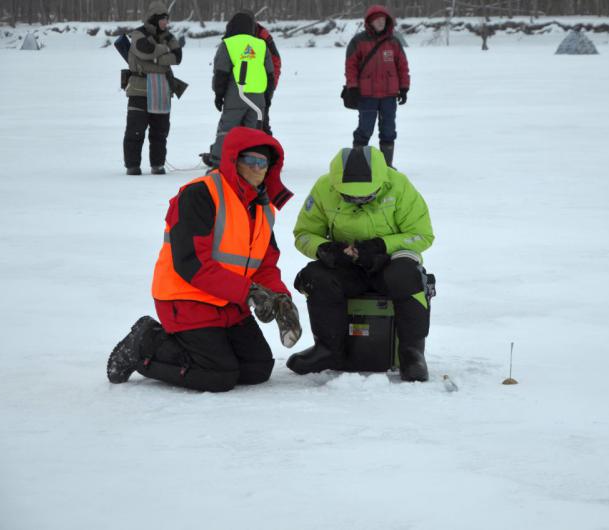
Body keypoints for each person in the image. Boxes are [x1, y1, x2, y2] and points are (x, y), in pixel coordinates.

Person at [107, 127, 301, 392]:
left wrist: (280, 299)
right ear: (233, 161)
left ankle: (199, 348)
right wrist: (251, 293)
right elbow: (191, 264)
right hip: (186, 298)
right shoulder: (200, 194)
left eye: (263, 163)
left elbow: (265, 265)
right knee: (218, 375)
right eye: (251, 161)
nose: (258, 169)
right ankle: (145, 343)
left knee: (257, 368)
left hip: (230, 302)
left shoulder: (262, 207)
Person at [287, 146, 434, 382]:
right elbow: (304, 234)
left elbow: (421, 235)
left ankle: (411, 353)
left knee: (407, 276)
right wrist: (324, 249)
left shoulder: (399, 186)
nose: (358, 200)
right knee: (315, 275)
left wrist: (381, 246)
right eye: (349, 196)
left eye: (366, 196)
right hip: (347, 267)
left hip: (388, 265)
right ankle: (328, 350)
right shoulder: (323, 188)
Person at [203, 11, 275, 168]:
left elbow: (221, 72)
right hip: (257, 97)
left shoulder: (228, 44)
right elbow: (270, 75)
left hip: (236, 95)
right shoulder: (261, 45)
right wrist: (267, 97)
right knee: (254, 133)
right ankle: (250, 164)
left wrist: (218, 95)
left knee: (227, 130)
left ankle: (219, 162)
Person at [343, 5, 410, 167]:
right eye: (377, 20)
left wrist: (404, 87)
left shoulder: (394, 42)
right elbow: (350, 65)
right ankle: (360, 165)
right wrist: (352, 87)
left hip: (389, 95)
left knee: (388, 131)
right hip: (366, 95)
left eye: (383, 20)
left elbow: (402, 65)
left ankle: (387, 166)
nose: (380, 22)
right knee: (364, 130)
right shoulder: (358, 41)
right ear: (370, 22)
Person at [123, 1, 182, 175]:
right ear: (154, 19)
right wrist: (163, 51)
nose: (166, 23)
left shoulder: (170, 36)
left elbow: (177, 57)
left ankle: (157, 164)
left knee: (160, 131)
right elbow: (144, 51)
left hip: (162, 90)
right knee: (135, 130)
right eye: (163, 19)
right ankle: (132, 166)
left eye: (167, 19)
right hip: (139, 90)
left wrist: (156, 59)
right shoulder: (138, 34)